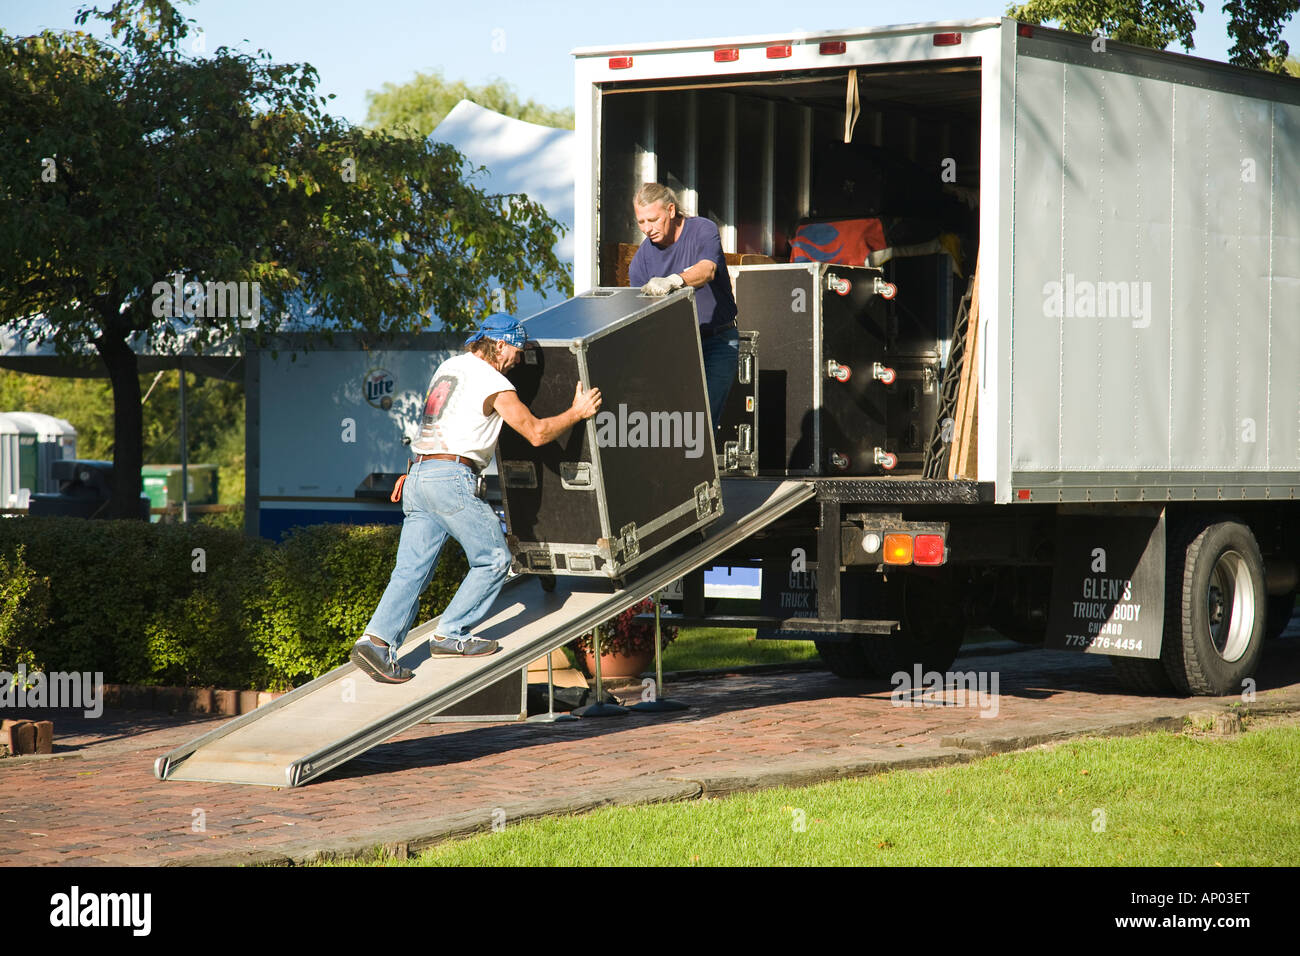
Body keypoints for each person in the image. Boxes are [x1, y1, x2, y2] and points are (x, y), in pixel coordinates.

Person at [350, 312, 603, 684]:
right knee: (495, 558)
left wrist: (423, 473)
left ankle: (375, 642)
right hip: (450, 477)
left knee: (410, 570)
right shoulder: (493, 380)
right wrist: (576, 412)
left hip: (419, 473)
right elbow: (535, 432)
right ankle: (450, 633)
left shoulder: (449, 368)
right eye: (517, 350)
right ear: (500, 344)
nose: (518, 360)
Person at [628, 183, 739, 432]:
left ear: (670, 210)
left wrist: (674, 281)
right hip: (676, 348)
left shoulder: (702, 229)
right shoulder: (641, 261)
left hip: (718, 340)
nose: (647, 229)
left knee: (702, 423)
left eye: (653, 220)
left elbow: (707, 269)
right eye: (641, 222)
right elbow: (642, 318)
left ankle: (699, 469)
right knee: (675, 424)